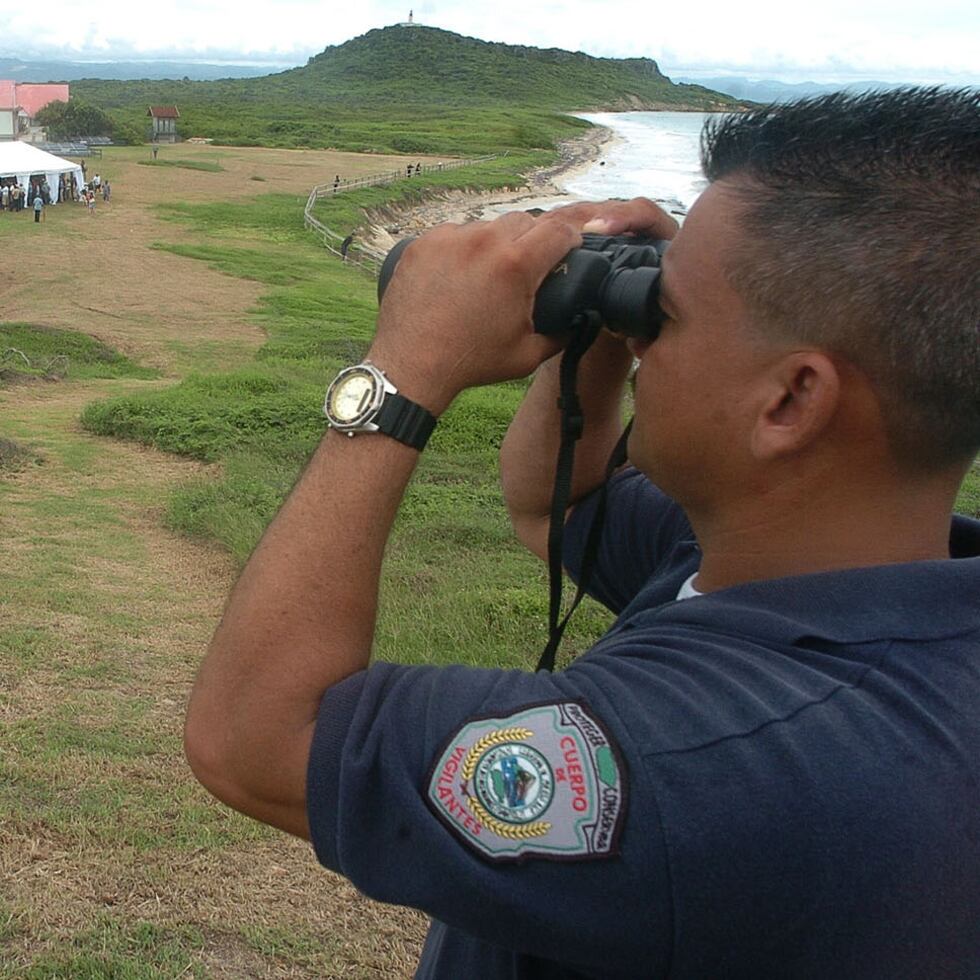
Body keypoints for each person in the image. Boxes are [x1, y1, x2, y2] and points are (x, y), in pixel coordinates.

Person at [185, 88, 980, 978]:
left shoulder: (707, 757)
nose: (642, 338)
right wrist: (607, 326)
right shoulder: (842, 575)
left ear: (793, 399)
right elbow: (557, 507)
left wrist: (402, 371)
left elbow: (254, 742)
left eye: (663, 318)